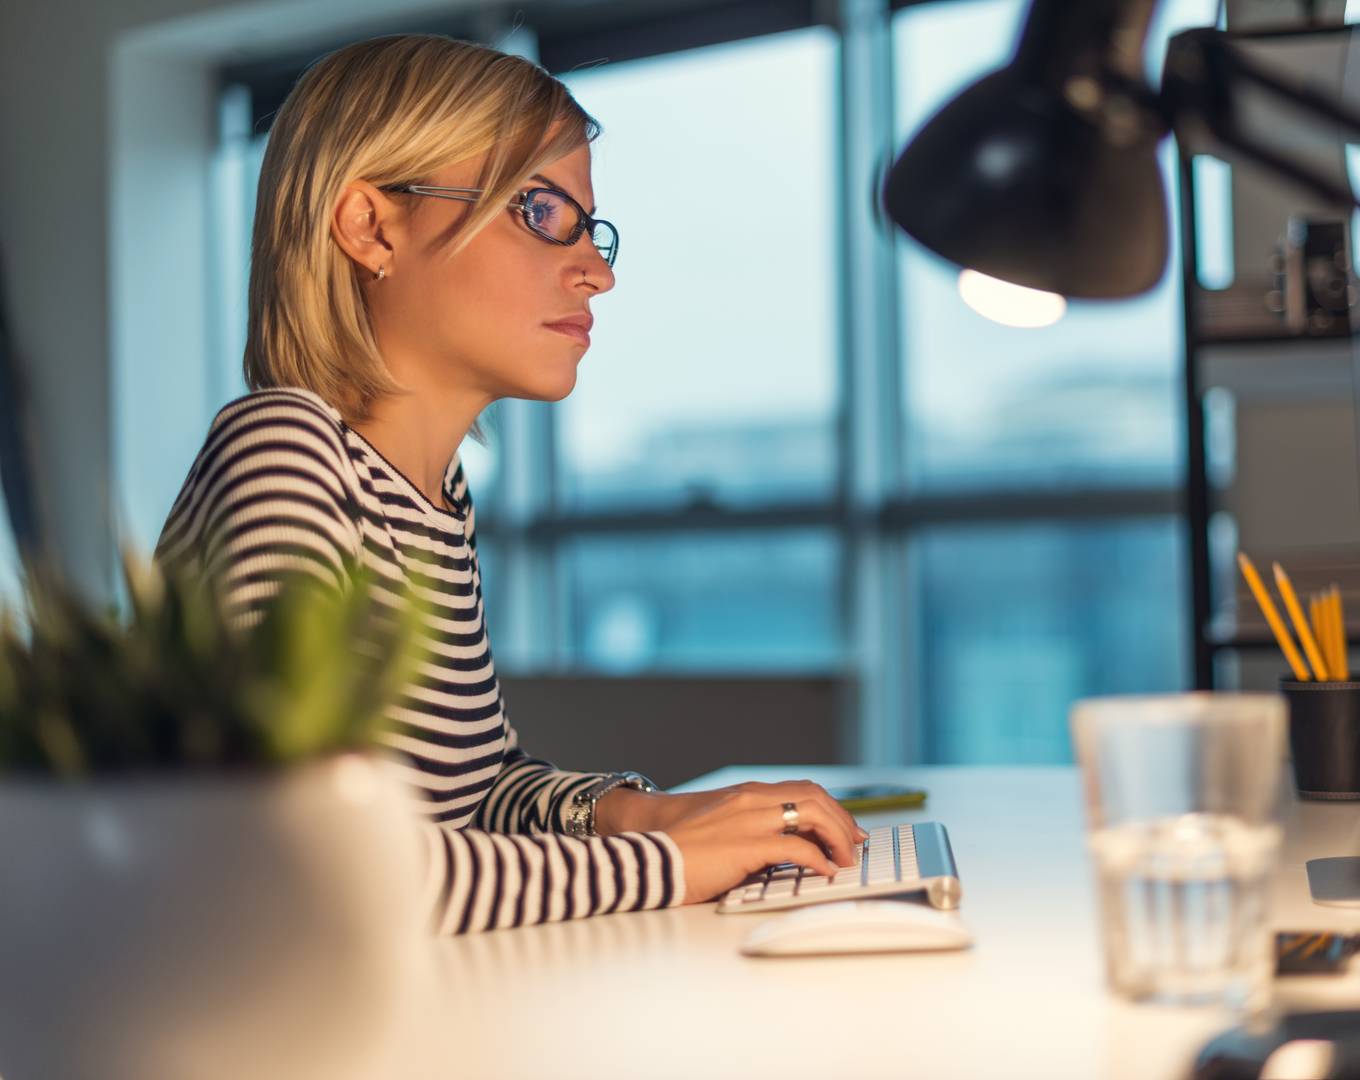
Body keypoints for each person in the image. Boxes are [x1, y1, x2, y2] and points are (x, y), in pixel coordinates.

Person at [154, 33, 864, 934]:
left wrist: (640, 813)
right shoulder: (284, 450)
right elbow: (300, 865)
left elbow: (471, 795)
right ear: (371, 227)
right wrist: (670, 865)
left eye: (590, 227)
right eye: (538, 211)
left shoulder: (430, 493)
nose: (597, 273)